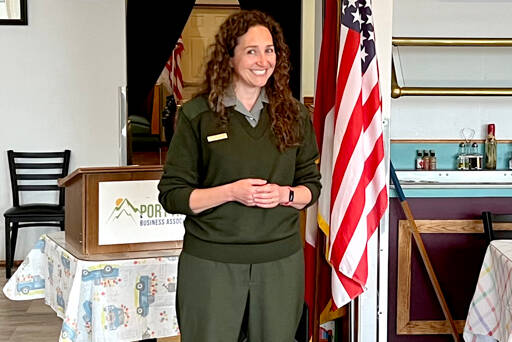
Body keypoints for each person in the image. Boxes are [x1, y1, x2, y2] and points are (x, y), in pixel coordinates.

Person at [158, 10, 321, 342]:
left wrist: (284, 195)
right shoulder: (197, 115)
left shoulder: (295, 114)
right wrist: (230, 192)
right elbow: (172, 195)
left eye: (269, 50)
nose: (263, 60)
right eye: (251, 51)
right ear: (229, 58)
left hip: (279, 264)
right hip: (211, 264)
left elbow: (311, 187)